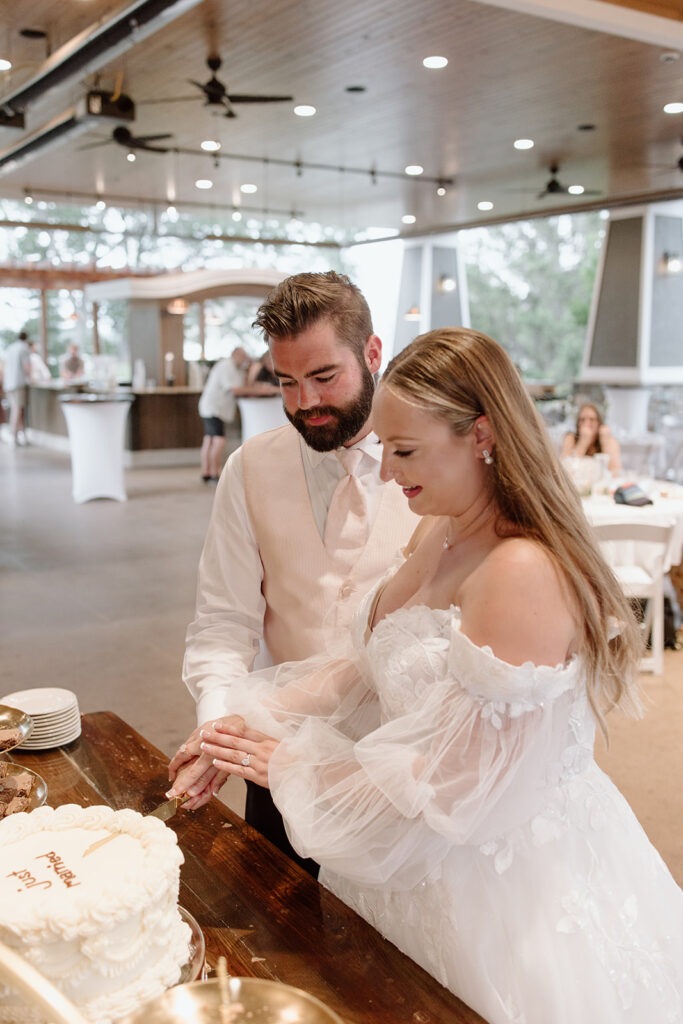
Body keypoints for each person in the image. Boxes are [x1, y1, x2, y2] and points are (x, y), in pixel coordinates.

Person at [171, 327, 683, 1023]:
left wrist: (289, 759)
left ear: (482, 435)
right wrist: (240, 723)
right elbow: (362, 664)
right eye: (384, 446)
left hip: (500, 889)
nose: (386, 472)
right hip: (409, 862)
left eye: (404, 450)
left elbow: (458, 786)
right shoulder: (438, 525)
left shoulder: (519, 572)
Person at [168, 271, 418, 872]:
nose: (304, 402)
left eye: (324, 377)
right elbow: (222, 626)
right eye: (287, 382)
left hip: (394, 773)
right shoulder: (249, 468)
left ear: (373, 353)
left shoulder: (435, 464)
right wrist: (221, 733)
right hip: (273, 758)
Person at [197, 346, 251, 482]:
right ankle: (214, 474)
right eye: (242, 356)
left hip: (211, 407)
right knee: (218, 441)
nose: (244, 359)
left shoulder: (233, 368)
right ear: (235, 354)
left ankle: (206, 473)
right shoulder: (227, 366)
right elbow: (234, 390)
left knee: (209, 440)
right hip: (214, 408)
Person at [561, 401, 621, 474]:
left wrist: (605, 443)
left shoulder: (610, 440)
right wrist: (583, 442)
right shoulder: (570, 438)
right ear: (577, 423)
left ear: (599, 422)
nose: (586, 423)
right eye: (582, 419)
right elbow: (566, 470)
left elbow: (615, 472)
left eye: (591, 419)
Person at [2, 331, 31, 446]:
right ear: (26, 339)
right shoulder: (24, 348)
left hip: (8, 384)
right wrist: (31, 377)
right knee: (17, 409)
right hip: (18, 383)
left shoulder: (10, 348)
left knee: (18, 409)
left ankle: (22, 435)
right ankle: (13, 436)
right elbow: (27, 366)